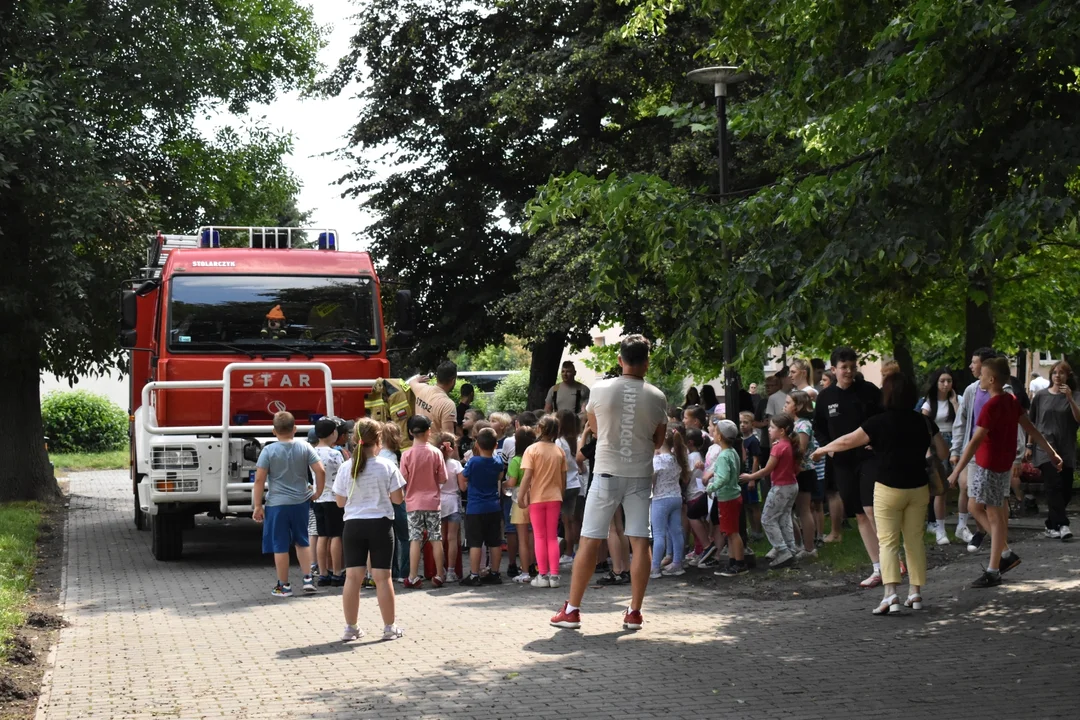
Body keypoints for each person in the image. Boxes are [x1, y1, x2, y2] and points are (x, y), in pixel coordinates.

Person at [550, 335, 668, 630]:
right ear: (647, 362)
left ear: (620, 360)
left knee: (590, 538)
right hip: (640, 474)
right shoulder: (657, 396)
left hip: (605, 473)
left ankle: (573, 610)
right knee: (640, 541)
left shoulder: (600, 389)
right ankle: (634, 612)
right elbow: (658, 441)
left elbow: (596, 428)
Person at [814, 372, 945, 613]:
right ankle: (915, 594)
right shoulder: (923, 421)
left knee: (888, 542)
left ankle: (890, 594)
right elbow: (943, 453)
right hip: (918, 488)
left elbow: (847, 441)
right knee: (914, 541)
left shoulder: (878, 422)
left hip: (888, 487)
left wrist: (823, 449)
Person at [950, 357, 1062, 587]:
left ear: (991, 380)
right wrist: (1051, 452)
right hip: (1001, 465)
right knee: (980, 508)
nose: (978, 377)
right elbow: (1030, 427)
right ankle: (1004, 554)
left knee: (993, 515)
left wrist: (955, 471)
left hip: (989, 465)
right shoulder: (1011, 400)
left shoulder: (991, 406)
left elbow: (974, 442)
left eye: (981, 374)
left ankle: (994, 569)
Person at [813, 347, 884, 587]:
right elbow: (819, 427)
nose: (849, 372)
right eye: (844, 368)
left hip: (869, 459)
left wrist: (876, 442)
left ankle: (892, 559)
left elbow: (883, 420)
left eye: (853, 367)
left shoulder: (869, 391)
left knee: (872, 509)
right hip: (842, 463)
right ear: (833, 370)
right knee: (860, 514)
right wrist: (828, 447)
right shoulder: (825, 397)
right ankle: (878, 567)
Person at [335, 418, 405, 641]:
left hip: (353, 525)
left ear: (355, 439)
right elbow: (397, 499)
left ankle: (351, 627)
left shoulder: (347, 467)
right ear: (379, 439)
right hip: (380, 525)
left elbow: (339, 502)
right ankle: (389, 627)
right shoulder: (387, 466)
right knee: (383, 578)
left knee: (353, 578)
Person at [252, 411, 325, 597]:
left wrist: (257, 506)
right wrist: (318, 492)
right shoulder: (305, 447)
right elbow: (320, 471)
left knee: (280, 545)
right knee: (302, 541)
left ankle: (283, 586)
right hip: (301, 501)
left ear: (273, 431)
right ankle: (308, 578)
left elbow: (259, 480)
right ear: (295, 429)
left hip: (276, 504)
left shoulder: (268, 451)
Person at [950, 347, 998, 545]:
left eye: (974, 362)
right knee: (971, 492)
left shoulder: (1004, 392)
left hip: (995, 453)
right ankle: (988, 536)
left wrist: (1018, 456)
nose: (970, 366)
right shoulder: (972, 390)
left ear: (985, 366)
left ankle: (996, 539)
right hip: (974, 452)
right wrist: (955, 450)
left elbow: (1019, 426)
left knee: (992, 499)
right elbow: (961, 422)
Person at [1027, 360, 1079, 541]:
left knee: (1064, 489)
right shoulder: (1041, 396)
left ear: (1068, 376)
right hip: (1045, 447)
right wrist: (1029, 445)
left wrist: (1070, 399)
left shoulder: (1075, 395)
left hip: (1066, 447)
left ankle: (1051, 524)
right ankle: (1063, 524)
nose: (1057, 376)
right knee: (1053, 484)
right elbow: (1032, 423)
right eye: (1054, 372)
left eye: (1061, 373)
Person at [742, 414, 800, 568]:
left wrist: (750, 477)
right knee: (784, 517)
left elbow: (767, 469)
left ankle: (782, 550)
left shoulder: (778, 447)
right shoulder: (790, 445)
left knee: (767, 519)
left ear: (782, 431)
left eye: (772, 427)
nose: (769, 429)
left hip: (780, 487)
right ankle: (790, 548)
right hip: (792, 486)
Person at [518, 415, 568, 588]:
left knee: (539, 537)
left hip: (537, 498)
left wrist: (521, 495)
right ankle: (554, 576)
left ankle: (543, 574)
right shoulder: (559, 451)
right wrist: (560, 495)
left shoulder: (531, 450)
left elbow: (527, 476)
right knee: (552, 537)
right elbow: (564, 480)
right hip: (555, 498)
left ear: (539, 428)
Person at [399, 415, 448, 589]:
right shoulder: (436, 453)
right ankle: (440, 574)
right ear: (429, 431)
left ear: (411, 432)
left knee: (415, 539)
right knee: (436, 538)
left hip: (413, 503)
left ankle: (412, 576)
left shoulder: (406, 455)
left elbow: (402, 480)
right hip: (433, 502)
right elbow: (443, 478)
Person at [459, 427, 506, 585]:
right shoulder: (498, 461)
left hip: (475, 507)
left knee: (475, 542)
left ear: (477, 445)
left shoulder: (473, 461)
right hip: (493, 506)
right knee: (495, 542)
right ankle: (495, 572)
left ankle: (474, 575)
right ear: (495, 446)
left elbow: (464, 478)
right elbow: (500, 476)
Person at [704, 419, 748, 576]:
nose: (713, 434)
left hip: (727, 498)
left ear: (720, 436)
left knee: (733, 532)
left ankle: (739, 563)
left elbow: (722, 478)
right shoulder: (732, 452)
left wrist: (711, 487)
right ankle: (732, 561)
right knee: (729, 532)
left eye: (715, 431)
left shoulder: (723, 456)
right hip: (732, 496)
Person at [922, 368, 958, 545]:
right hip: (938, 442)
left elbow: (961, 421)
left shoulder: (955, 400)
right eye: (942, 381)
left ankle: (961, 525)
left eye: (949, 381)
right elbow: (923, 423)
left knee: (959, 484)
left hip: (955, 441)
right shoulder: (930, 402)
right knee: (940, 485)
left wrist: (954, 403)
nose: (946, 384)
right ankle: (937, 526)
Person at [650, 425, 690, 578]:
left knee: (659, 533)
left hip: (660, 499)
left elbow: (652, 481)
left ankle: (655, 567)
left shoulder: (657, 461)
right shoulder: (676, 459)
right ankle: (678, 563)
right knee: (676, 531)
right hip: (676, 497)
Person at [311, 417, 346, 587]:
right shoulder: (335, 454)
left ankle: (323, 573)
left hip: (318, 498)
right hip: (333, 499)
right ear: (333, 433)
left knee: (322, 536)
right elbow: (342, 474)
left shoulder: (311, 452)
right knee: (336, 536)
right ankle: (337, 573)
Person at [785, 391, 819, 559]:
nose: (785, 406)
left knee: (803, 510)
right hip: (797, 470)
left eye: (788, 403)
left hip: (803, 471)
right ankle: (800, 544)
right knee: (796, 510)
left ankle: (809, 548)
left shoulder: (803, 425)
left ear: (797, 406)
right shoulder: (794, 424)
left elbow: (801, 450)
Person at [378, 423, 410, 584]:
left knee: (390, 538)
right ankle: (403, 572)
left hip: (382, 502)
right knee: (404, 537)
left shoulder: (378, 456)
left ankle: (391, 570)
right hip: (396, 501)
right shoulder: (393, 458)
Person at [505, 426, 536, 583]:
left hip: (519, 500)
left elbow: (511, 482)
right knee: (534, 536)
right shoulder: (536, 457)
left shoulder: (516, 460)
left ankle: (524, 572)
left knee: (522, 538)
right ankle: (533, 566)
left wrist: (503, 484)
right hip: (536, 498)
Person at [555, 409, 583, 566]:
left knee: (566, 522)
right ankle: (572, 550)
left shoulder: (560, 442)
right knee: (572, 521)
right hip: (576, 483)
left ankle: (567, 553)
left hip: (564, 483)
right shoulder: (576, 440)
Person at [436, 432, 464, 583]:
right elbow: (462, 486)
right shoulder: (456, 464)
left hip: (438, 503)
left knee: (440, 537)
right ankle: (451, 571)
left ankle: (441, 569)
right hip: (453, 503)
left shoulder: (434, 463)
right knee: (452, 538)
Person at [410, 361, 458, 436]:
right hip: (434, 447)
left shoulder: (422, 389)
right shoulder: (447, 405)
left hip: (418, 444)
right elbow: (448, 438)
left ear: (436, 378)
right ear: (453, 381)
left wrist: (419, 379)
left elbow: (412, 382)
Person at [738, 411, 763, 538]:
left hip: (751, 475)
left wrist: (753, 478)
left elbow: (756, 460)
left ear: (752, 424)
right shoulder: (739, 440)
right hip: (742, 476)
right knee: (746, 505)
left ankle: (758, 531)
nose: (742, 425)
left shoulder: (753, 441)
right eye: (740, 422)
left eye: (745, 422)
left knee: (754, 505)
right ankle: (752, 529)